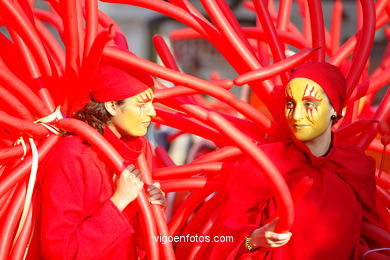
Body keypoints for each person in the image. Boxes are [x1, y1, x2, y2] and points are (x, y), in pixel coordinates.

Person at [198, 62, 383, 259]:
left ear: (335, 110)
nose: (296, 115)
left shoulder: (357, 165)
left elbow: (370, 237)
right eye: (290, 104)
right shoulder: (263, 163)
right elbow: (222, 240)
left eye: (309, 104)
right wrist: (253, 239)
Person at [27, 63, 166, 259]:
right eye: (141, 105)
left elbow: (142, 245)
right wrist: (119, 201)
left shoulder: (140, 153)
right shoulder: (73, 154)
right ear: (111, 106)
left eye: (152, 104)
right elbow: (59, 252)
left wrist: (152, 208)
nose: (152, 112)